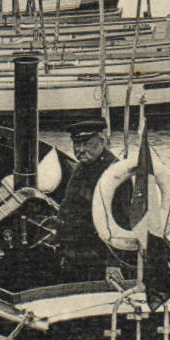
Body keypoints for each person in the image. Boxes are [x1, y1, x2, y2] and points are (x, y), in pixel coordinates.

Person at [54, 119, 120, 280]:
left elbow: (122, 220)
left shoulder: (116, 173)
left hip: (97, 259)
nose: (80, 150)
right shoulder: (81, 168)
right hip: (75, 254)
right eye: (76, 144)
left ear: (102, 141)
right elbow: (67, 208)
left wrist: (113, 264)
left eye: (87, 144)